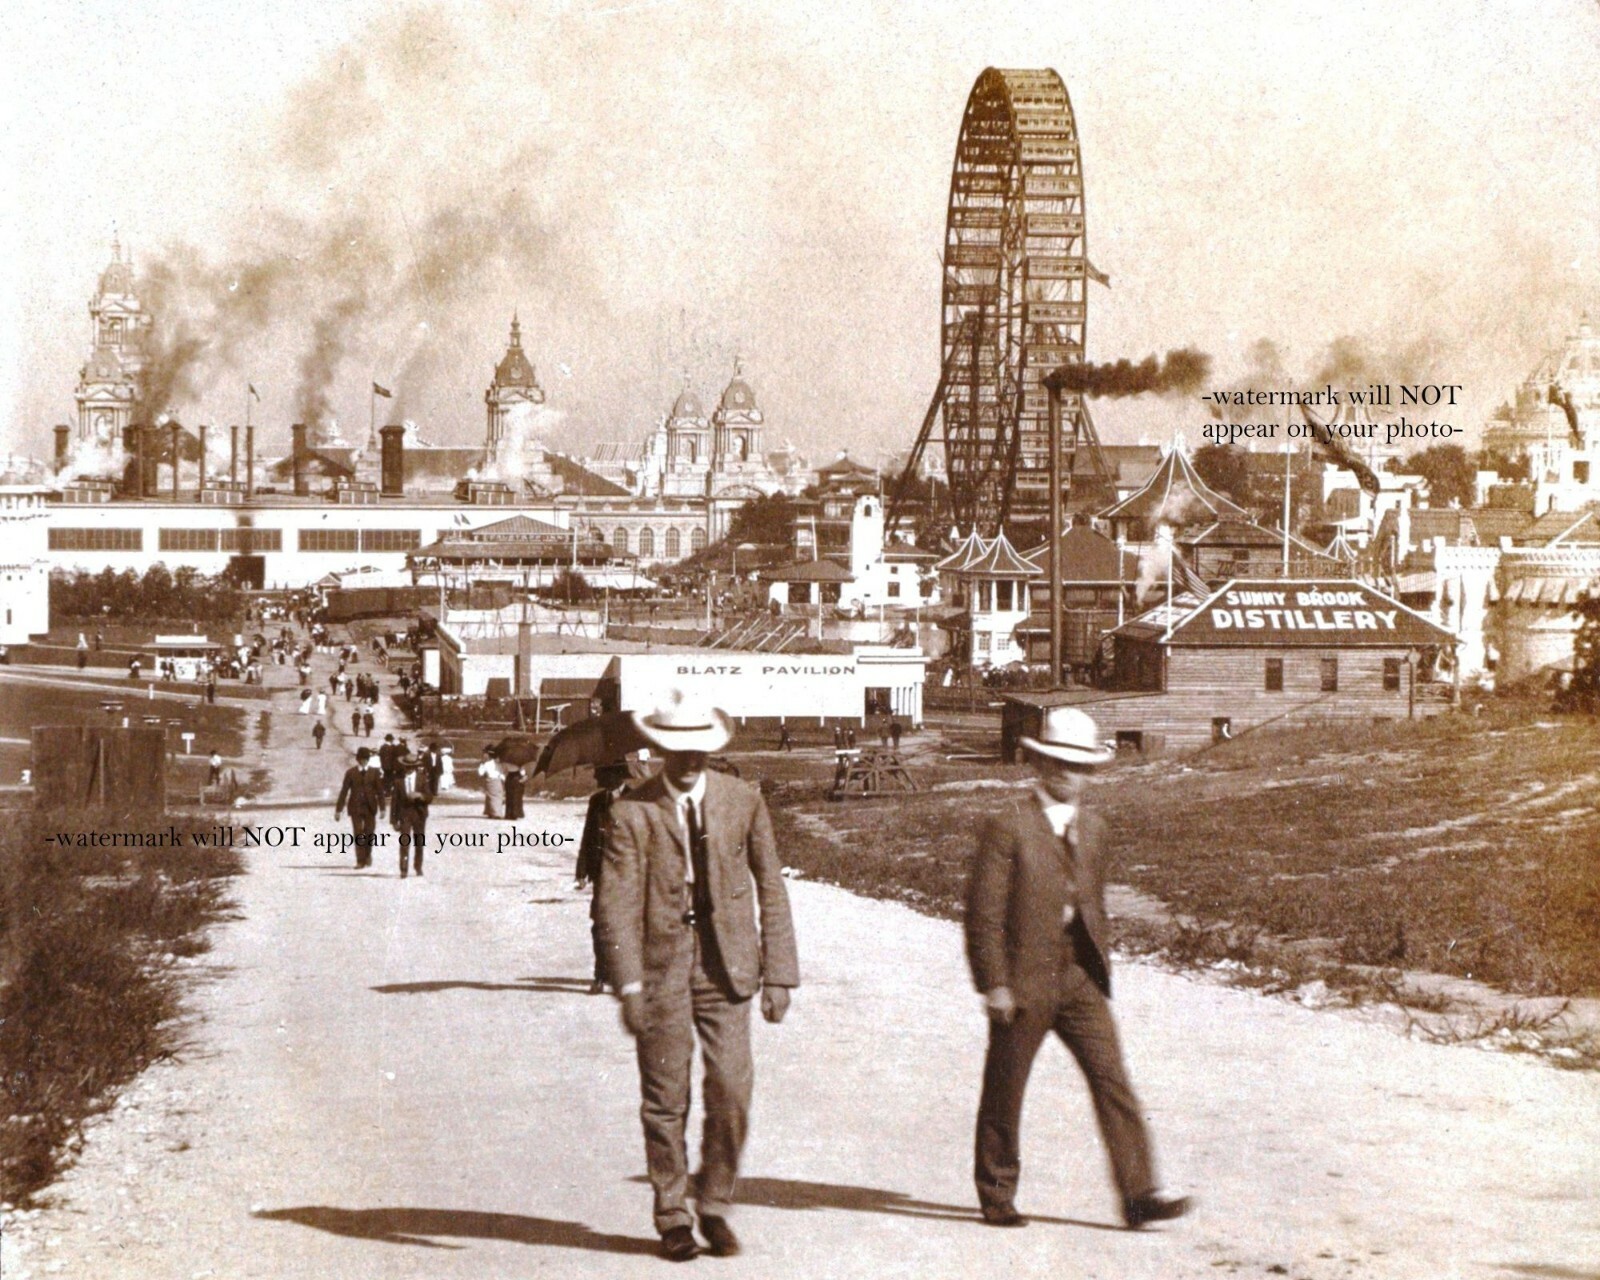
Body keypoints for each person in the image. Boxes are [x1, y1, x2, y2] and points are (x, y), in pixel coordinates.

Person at [965, 705, 1190, 1232]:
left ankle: (1139, 1195)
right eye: (1061, 765)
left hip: (1080, 977)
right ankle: (997, 1195)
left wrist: (1098, 961)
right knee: (1006, 1086)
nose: (1071, 776)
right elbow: (984, 914)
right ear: (1040, 766)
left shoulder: (1095, 828)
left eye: (1081, 767)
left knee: (1112, 1079)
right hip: (1023, 978)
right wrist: (994, 983)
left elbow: (1095, 901)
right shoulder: (1008, 826)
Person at [597, 689, 799, 1262]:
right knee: (666, 1099)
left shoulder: (742, 800)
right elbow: (615, 904)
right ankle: (672, 1215)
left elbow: (771, 886)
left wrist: (780, 971)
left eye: (699, 749)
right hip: (662, 973)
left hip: (727, 968)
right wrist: (629, 985)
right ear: (660, 748)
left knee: (732, 1090)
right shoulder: (631, 810)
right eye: (677, 748)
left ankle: (714, 1201)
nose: (689, 759)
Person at [576, 761, 632, 995]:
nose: (600, 782)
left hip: (631, 875)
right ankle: (600, 975)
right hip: (603, 872)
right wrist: (582, 871)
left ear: (619, 777)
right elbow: (588, 836)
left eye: (604, 776)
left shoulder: (638, 800)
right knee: (600, 925)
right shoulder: (597, 801)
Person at [335, 747, 383, 869]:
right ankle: (360, 861)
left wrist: (383, 808)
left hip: (370, 807)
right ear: (358, 760)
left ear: (368, 759)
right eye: (361, 759)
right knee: (358, 834)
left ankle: (368, 854)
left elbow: (380, 791)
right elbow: (344, 791)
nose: (364, 761)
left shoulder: (374, 772)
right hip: (355, 807)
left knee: (369, 833)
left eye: (366, 759)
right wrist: (338, 809)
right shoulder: (350, 773)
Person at [390, 752, 433, 878]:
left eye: (411, 767)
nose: (409, 769)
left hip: (419, 814)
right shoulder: (399, 781)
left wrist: (420, 796)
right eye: (406, 767)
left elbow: (430, 797)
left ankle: (418, 866)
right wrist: (393, 820)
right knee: (404, 842)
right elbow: (394, 802)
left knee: (419, 842)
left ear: (415, 767)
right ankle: (403, 869)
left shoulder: (422, 779)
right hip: (405, 814)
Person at [478, 750, 505, 819]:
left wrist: (481, 765)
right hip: (498, 781)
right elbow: (501, 774)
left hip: (490, 781)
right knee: (498, 796)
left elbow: (480, 773)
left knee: (491, 796)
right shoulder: (498, 764)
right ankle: (497, 812)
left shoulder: (486, 764)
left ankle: (493, 812)